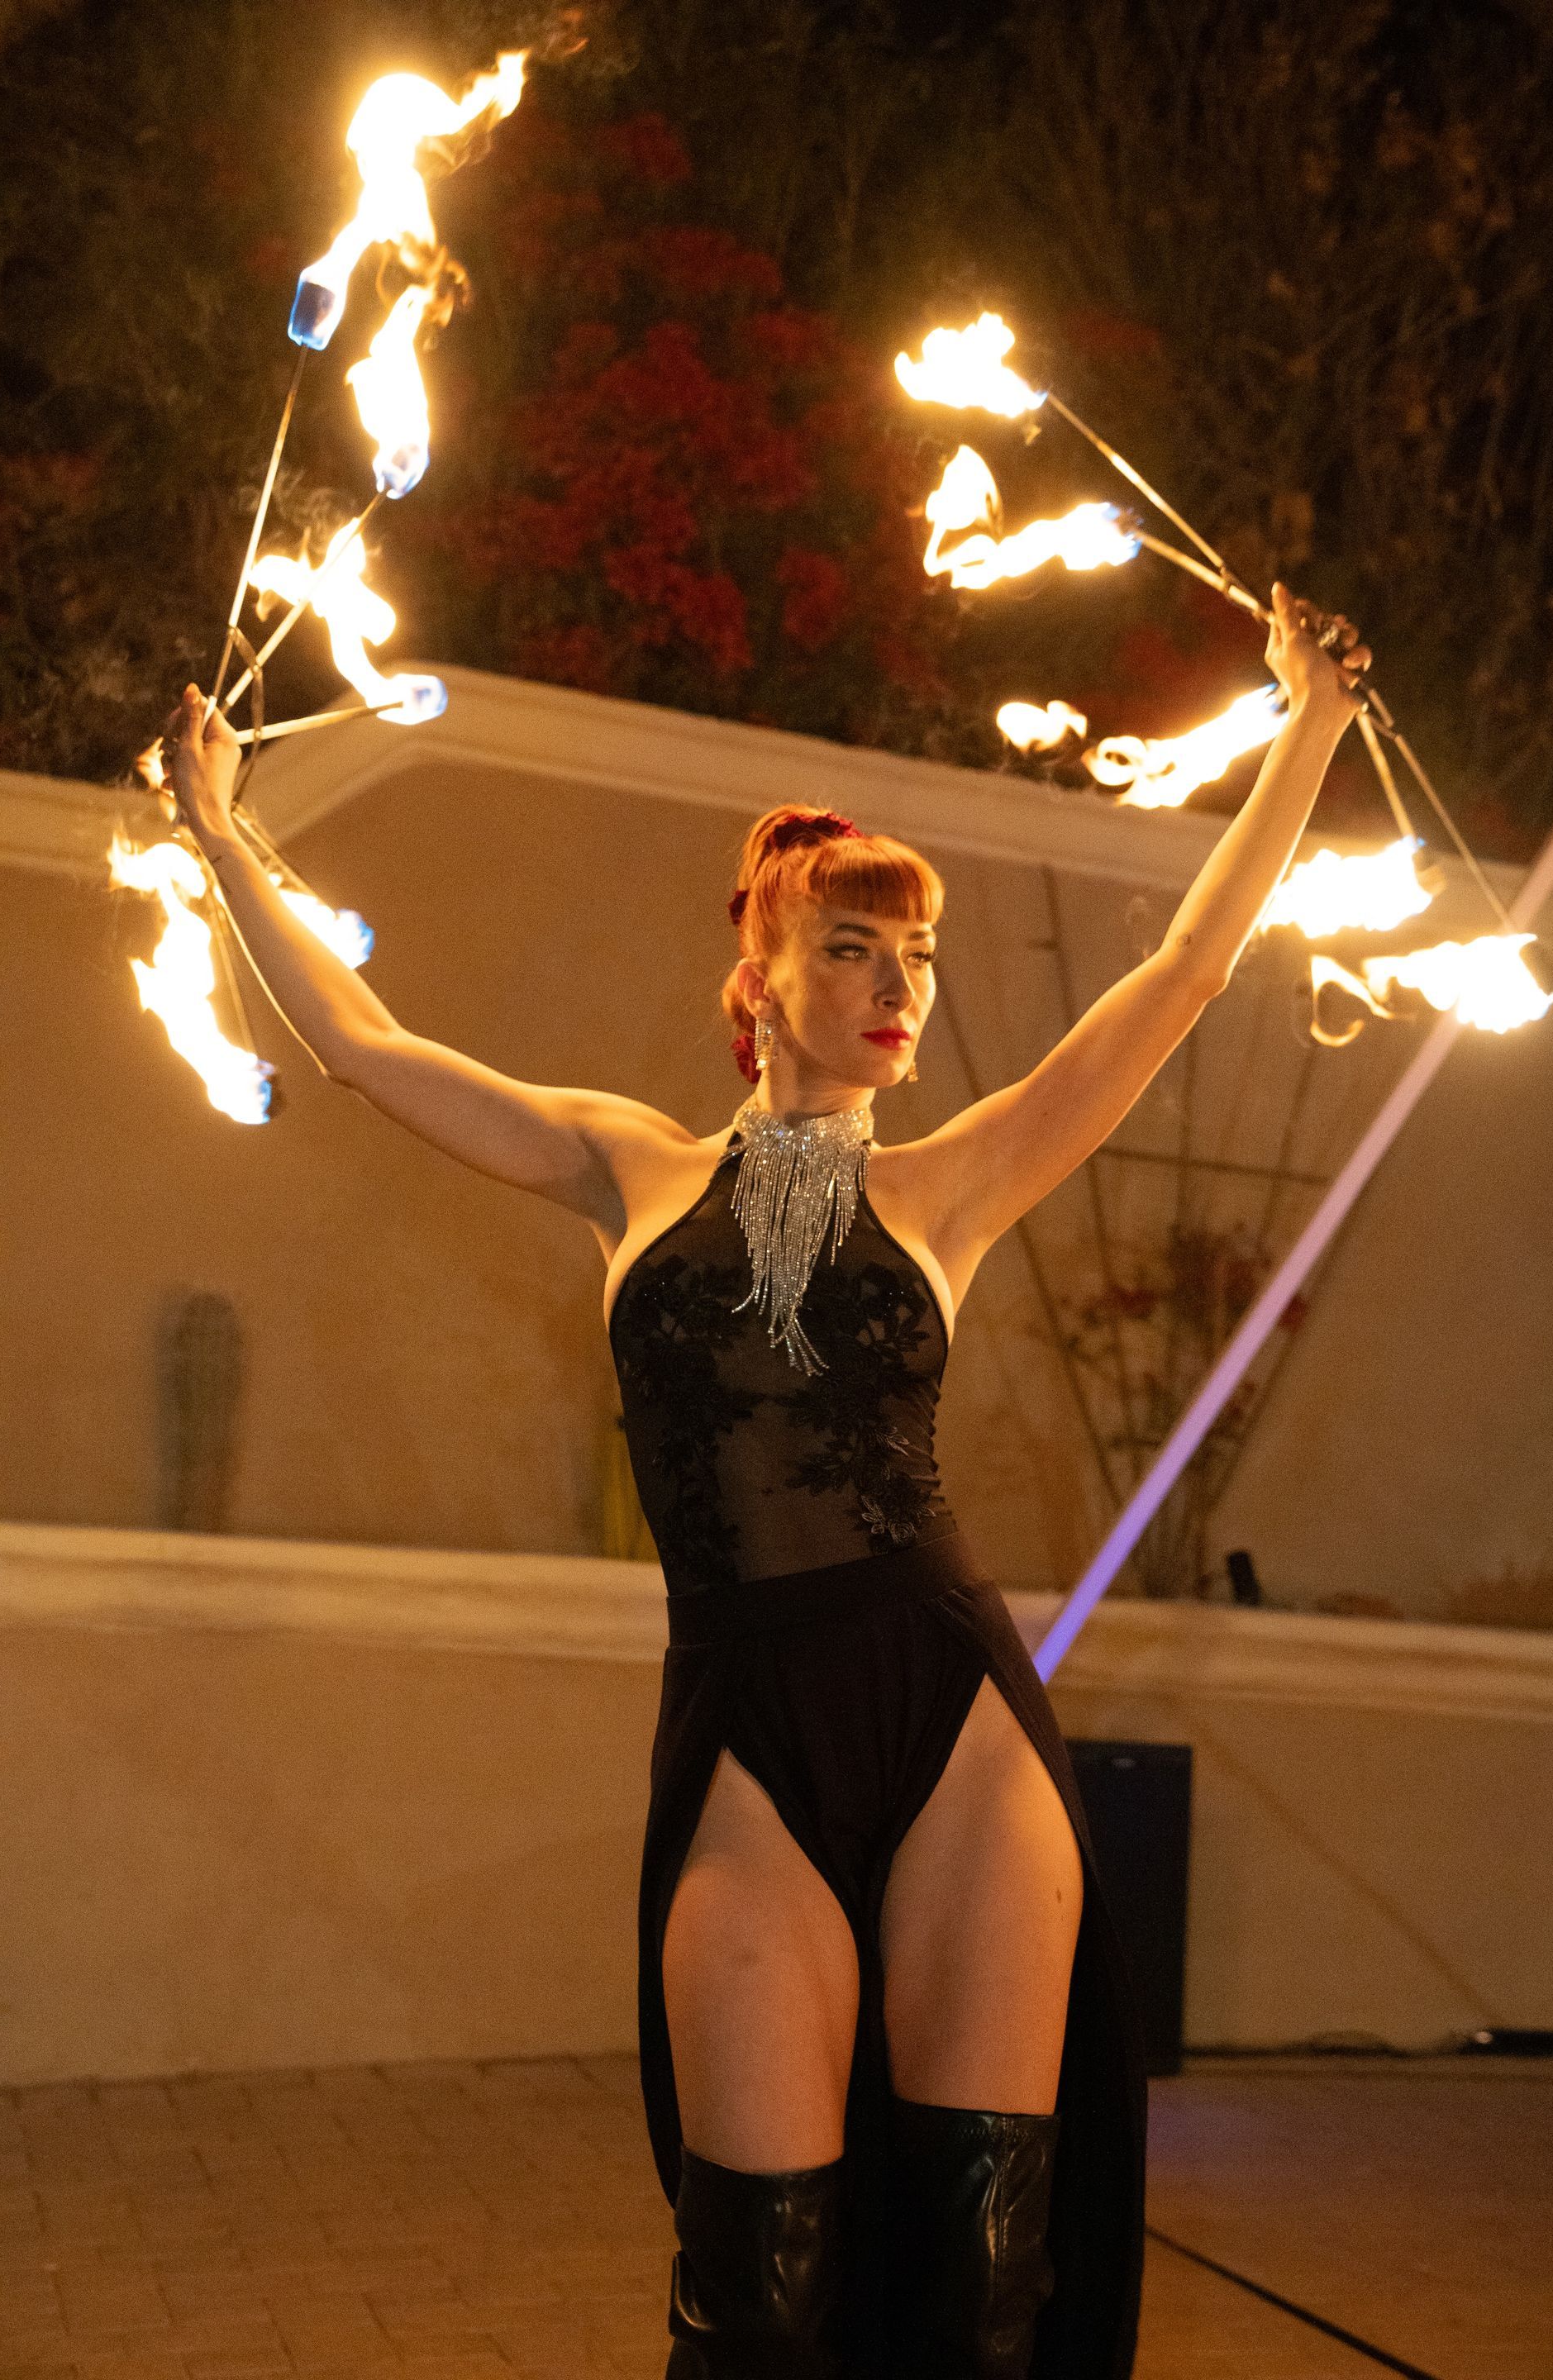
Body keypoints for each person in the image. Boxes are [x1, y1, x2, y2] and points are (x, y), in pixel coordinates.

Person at [164, 582, 1370, 2379]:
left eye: (918, 964)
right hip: (746, 1732)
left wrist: (1311, 732)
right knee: (761, 2299)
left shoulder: (951, 1188)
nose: (897, 995)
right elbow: (363, 1044)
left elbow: (1181, 973)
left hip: (952, 1711)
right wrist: (214, 826)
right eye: (853, 954)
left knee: (982, 2290)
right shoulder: (627, 1170)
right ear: (758, 986)